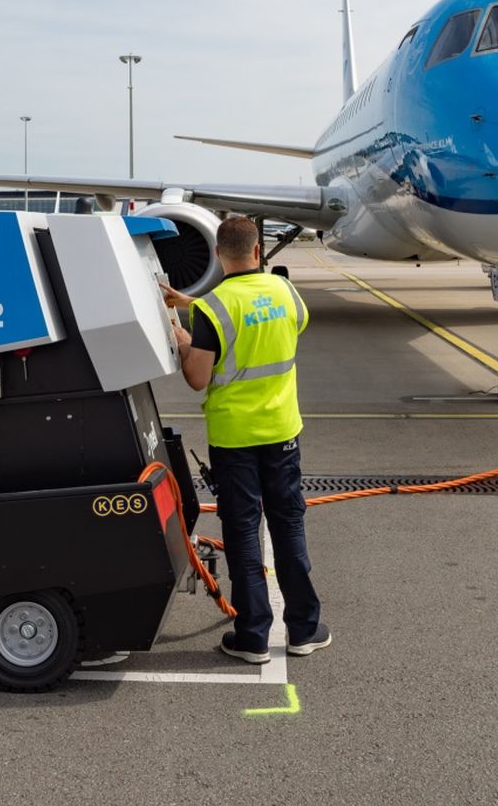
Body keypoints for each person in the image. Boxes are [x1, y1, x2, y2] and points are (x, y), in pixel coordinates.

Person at [160, 215, 331, 663]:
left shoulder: (211, 309)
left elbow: (198, 377)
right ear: (258, 251)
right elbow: (258, 314)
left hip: (235, 439)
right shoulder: (287, 293)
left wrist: (184, 338)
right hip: (282, 433)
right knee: (288, 526)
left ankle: (253, 636)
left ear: (218, 255)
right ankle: (305, 629)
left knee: (242, 534)